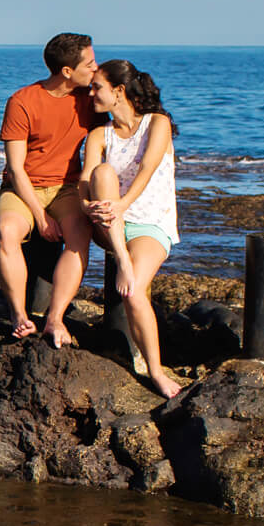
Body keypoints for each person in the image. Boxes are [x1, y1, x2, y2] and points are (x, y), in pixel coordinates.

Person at [79, 59, 182, 399]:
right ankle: (122, 258)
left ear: (119, 91)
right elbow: (86, 179)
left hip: (149, 223)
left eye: (97, 88)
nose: (91, 93)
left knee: (134, 291)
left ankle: (155, 371)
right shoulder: (99, 134)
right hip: (109, 225)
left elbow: (148, 168)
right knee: (104, 174)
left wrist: (124, 205)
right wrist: (86, 206)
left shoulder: (158, 123)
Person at [0, 32, 98, 345]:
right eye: (90, 64)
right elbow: (15, 168)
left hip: (67, 188)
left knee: (80, 234)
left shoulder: (90, 100)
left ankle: (54, 318)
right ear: (67, 71)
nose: (96, 69)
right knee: (7, 232)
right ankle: (19, 316)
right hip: (23, 187)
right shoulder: (23, 101)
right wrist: (40, 217)